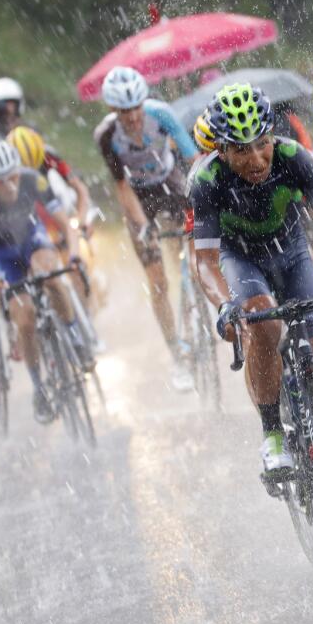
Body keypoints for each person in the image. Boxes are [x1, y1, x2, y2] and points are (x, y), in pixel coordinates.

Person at [190, 84, 313, 477]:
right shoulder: (208, 180)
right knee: (263, 322)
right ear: (221, 150)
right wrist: (225, 305)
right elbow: (206, 263)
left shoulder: (294, 157)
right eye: (241, 149)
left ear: (272, 135)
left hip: (292, 249)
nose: (256, 157)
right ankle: (273, 434)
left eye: (261, 143)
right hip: (240, 257)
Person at [94, 65, 199, 391]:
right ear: (114, 110)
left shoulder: (161, 114)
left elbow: (193, 158)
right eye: (125, 112)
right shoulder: (107, 135)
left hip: (171, 181)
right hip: (139, 197)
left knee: (197, 252)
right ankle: (177, 355)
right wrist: (141, 226)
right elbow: (122, 187)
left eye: (137, 107)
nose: (134, 117)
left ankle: (197, 302)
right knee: (157, 282)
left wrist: (201, 201)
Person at [0, 140, 84, 423]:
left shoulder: (34, 180)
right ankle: (39, 387)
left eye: (13, 176)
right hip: (2, 257)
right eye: (0, 181)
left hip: (33, 242)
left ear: (19, 170)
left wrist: (75, 255)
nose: (9, 185)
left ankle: (76, 337)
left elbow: (67, 224)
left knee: (51, 277)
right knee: (26, 319)